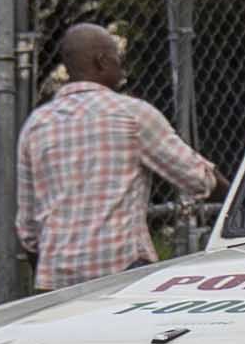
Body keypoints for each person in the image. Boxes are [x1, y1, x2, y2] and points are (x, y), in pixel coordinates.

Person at [13, 20, 226, 287]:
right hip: (122, 273)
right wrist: (242, 200)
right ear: (102, 61)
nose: (122, 66)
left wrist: (47, 273)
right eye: (118, 58)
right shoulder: (132, 115)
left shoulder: (37, 124)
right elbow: (198, 178)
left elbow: (28, 228)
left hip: (56, 278)